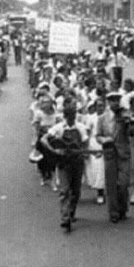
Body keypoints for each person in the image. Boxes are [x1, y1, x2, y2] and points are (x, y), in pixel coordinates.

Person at [41, 97, 88, 232]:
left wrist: (82, 151)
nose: (72, 119)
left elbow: (85, 143)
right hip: (63, 163)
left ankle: (71, 211)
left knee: (76, 191)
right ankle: (65, 218)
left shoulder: (81, 127)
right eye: (69, 117)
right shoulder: (58, 128)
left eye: (74, 116)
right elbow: (44, 139)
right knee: (64, 191)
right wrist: (52, 150)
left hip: (77, 162)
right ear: (65, 116)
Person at [96, 92, 134, 223]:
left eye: (117, 100)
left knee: (123, 183)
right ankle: (113, 212)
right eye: (112, 101)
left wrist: (129, 123)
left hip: (123, 153)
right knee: (111, 184)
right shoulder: (102, 118)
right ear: (108, 102)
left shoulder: (124, 115)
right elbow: (98, 135)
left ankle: (123, 208)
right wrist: (104, 140)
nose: (115, 103)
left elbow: (132, 133)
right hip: (110, 153)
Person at [84, 99, 105, 205]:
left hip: (106, 143)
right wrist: (86, 149)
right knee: (98, 169)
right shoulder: (91, 118)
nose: (100, 108)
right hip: (95, 144)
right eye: (98, 106)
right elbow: (87, 134)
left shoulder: (108, 117)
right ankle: (100, 192)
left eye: (102, 105)